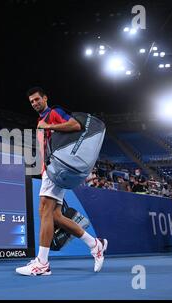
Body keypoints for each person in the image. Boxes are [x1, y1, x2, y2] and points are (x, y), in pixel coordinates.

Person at [16, 87, 108, 276]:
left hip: (56, 169)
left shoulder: (54, 112)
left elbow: (75, 125)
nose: (34, 103)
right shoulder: (41, 119)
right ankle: (95, 244)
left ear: (45, 98)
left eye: (37, 99)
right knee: (56, 215)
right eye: (31, 101)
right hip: (50, 170)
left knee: (44, 210)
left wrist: (49, 126)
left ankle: (42, 264)